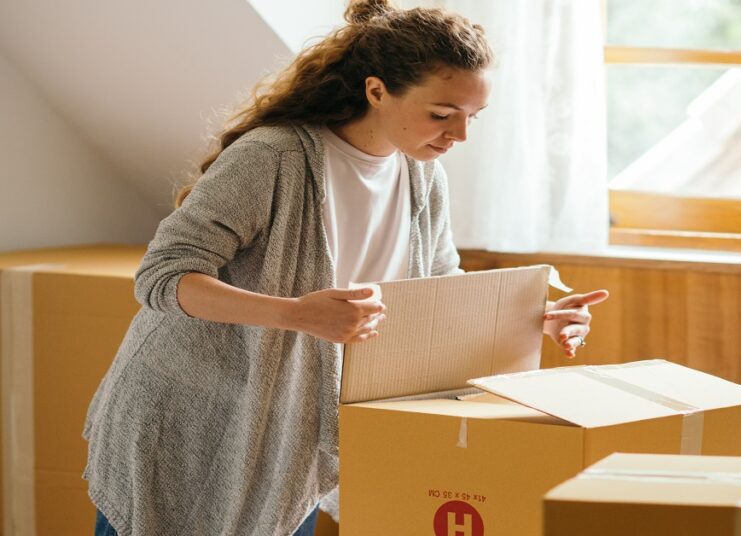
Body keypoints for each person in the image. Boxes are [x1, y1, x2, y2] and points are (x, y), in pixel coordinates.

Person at [82, 0, 609, 534]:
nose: (460, 136)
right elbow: (162, 276)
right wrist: (295, 314)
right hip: (188, 417)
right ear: (377, 91)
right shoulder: (273, 158)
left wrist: (532, 316)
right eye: (441, 114)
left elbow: (439, 290)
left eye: (472, 117)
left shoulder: (423, 177)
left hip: (291, 432)